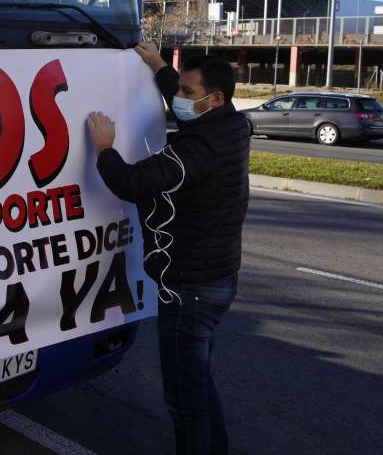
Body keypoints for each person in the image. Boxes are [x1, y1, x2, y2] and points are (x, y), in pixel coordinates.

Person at [85, 42, 249, 455]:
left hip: (190, 289)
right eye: (180, 89)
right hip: (219, 278)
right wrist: (158, 64)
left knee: (184, 401)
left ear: (216, 99)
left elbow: (133, 183)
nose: (179, 98)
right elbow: (183, 91)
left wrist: (104, 148)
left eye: (189, 95)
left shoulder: (194, 150)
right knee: (198, 380)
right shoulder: (232, 126)